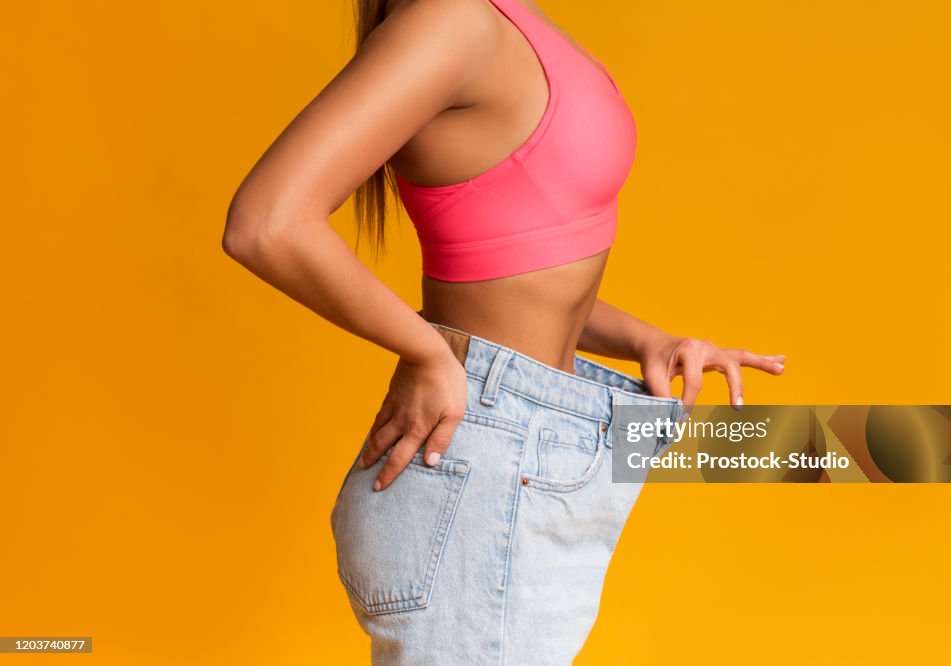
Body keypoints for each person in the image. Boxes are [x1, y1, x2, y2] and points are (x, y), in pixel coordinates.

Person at [222, 0, 786, 662]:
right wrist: (429, 352)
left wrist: (646, 341)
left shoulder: (502, 18)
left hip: (534, 443)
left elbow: (516, 266)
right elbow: (265, 223)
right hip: (489, 461)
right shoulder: (452, 20)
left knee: (861, 451)